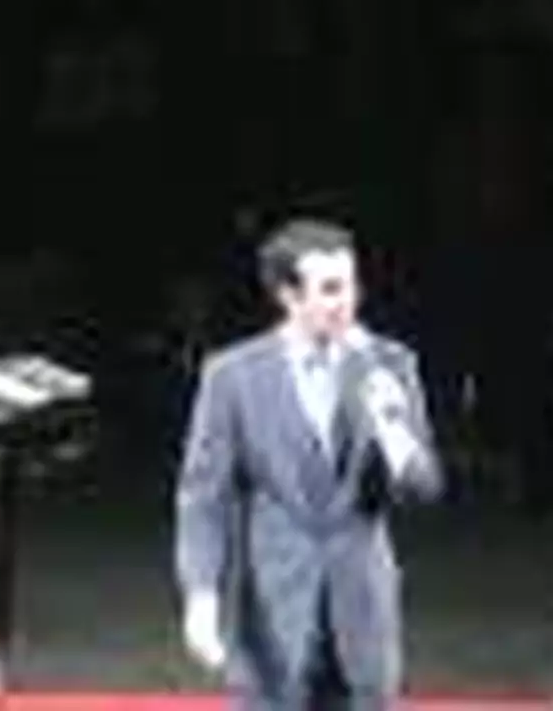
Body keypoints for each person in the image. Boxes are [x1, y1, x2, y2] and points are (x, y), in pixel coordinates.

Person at [174, 218, 445, 709]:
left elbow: (423, 489)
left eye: (352, 285)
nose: (348, 301)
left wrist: (391, 425)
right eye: (330, 289)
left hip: (362, 611)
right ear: (288, 296)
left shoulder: (391, 362)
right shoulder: (233, 376)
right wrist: (201, 595)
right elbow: (203, 498)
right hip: (272, 613)